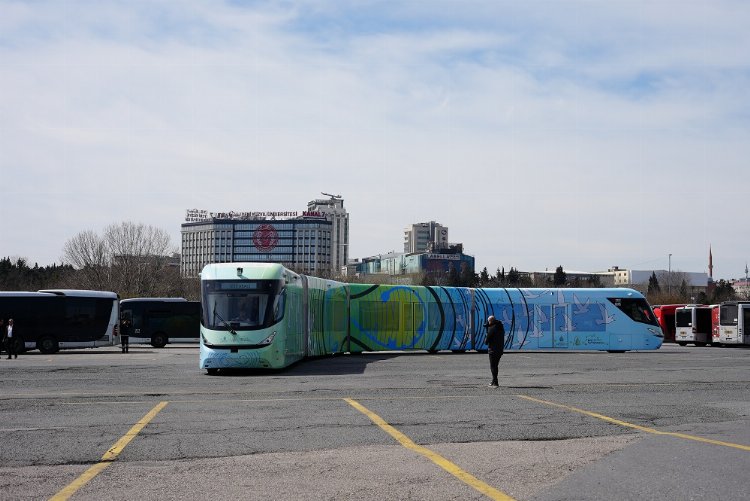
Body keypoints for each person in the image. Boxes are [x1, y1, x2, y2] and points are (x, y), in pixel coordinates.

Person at [484, 315, 505, 387]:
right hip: (500, 349)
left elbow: (486, 341)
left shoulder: (491, 328)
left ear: (490, 321)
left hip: (493, 350)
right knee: (496, 365)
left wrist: (487, 331)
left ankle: (495, 382)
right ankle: (494, 380)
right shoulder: (501, 327)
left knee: (493, 366)